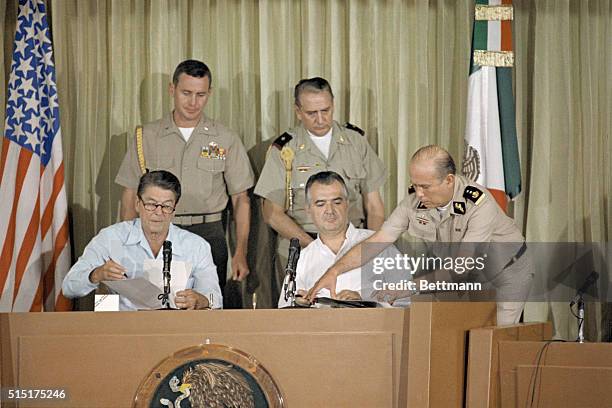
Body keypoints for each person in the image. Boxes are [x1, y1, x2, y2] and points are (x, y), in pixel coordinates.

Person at [307, 145, 534, 325]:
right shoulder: (415, 202)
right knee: (456, 339)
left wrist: (406, 287)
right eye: (415, 185)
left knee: (495, 342)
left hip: (506, 273)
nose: (418, 193)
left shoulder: (478, 205)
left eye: (425, 186)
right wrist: (334, 271)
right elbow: (377, 242)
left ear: (449, 180)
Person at [115, 60, 254, 305]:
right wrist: (124, 244)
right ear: (172, 90)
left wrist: (240, 250)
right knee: (153, 305)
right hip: (158, 229)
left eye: (201, 94)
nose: (193, 102)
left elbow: (241, 198)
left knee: (208, 304)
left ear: (209, 94)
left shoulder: (225, 138)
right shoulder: (146, 136)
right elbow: (129, 195)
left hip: (209, 232)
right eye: (186, 93)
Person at [255, 77, 387, 305]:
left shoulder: (356, 142)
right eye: (311, 113)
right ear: (298, 111)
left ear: (333, 104)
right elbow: (272, 213)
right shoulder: (285, 149)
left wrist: (370, 250)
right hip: (301, 246)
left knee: (357, 310)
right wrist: (315, 248)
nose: (320, 119)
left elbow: (374, 206)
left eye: (325, 110)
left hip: (352, 246)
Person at [63, 170, 222, 310]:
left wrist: (202, 300)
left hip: (176, 328)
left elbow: (216, 299)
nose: (158, 213)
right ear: (138, 204)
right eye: (151, 204)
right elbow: (68, 287)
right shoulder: (110, 238)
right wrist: (96, 275)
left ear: (174, 210)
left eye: (166, 206)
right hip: (122, 328)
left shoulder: (196, 246)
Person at [278, 171, 405, 308]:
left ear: (347, 204)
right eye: (321, 204)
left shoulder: (378, 245)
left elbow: (407, 300)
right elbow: (284, 311)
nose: (330, 210)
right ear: (308, 209)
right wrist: (300, 306)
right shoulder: (302, 260)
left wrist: (364, 301)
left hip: (372, 327)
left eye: (336, 202)